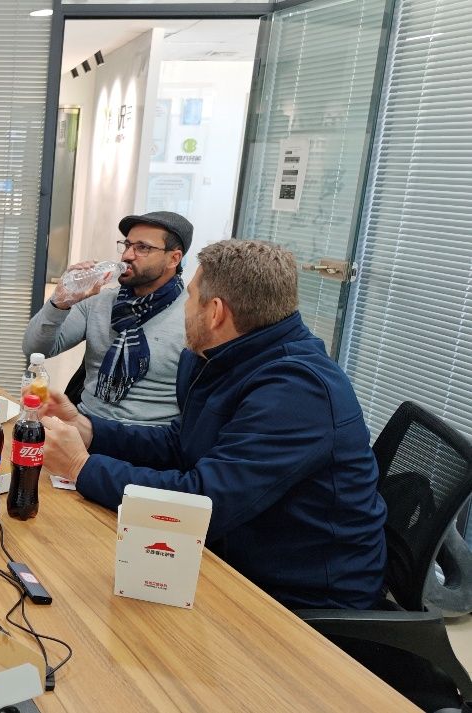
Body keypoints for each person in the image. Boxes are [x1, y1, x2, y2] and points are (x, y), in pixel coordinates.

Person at [36, 240, 386, 610]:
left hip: (298, 599)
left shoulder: (296, 391)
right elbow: (181, 443)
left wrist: (81, 467)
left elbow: (204, 501)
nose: (185, 309)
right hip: (236, 553)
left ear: (216, 312)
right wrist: (89, 430)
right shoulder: (229, 357)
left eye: (190, 297)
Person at [23, 211, 192, 425]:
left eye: (142, 248)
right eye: (127, 245)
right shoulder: (99, 300)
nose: (127, 255)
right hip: (83, 428)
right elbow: (34, 349)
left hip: (150, 438)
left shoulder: (193, 315)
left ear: (174, 258)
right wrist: (59, 303)